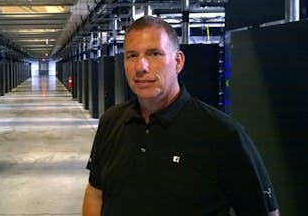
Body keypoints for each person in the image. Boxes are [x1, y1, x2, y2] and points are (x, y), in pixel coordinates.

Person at [82, 16, 280, 216]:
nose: (141, 67)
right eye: (131, 56)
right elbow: (95, 193)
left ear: (178, 61)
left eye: (154, 54)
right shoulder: (111, 122)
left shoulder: (223, 134)